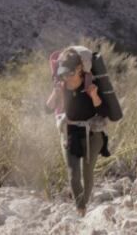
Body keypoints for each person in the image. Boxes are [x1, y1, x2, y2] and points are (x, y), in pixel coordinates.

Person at [47, 47, 110, 217]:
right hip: (70, 133)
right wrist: (55, 94)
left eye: (70, 73)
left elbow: (104, 111)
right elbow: (47, 110)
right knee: (73, 175)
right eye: (64, 73)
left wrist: (94, 95)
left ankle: (84, 205)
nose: (67, 77)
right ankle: (80, 210)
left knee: (87, 175)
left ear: (80, 69)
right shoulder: (61, 85)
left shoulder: (90, 84)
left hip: (92, 134)